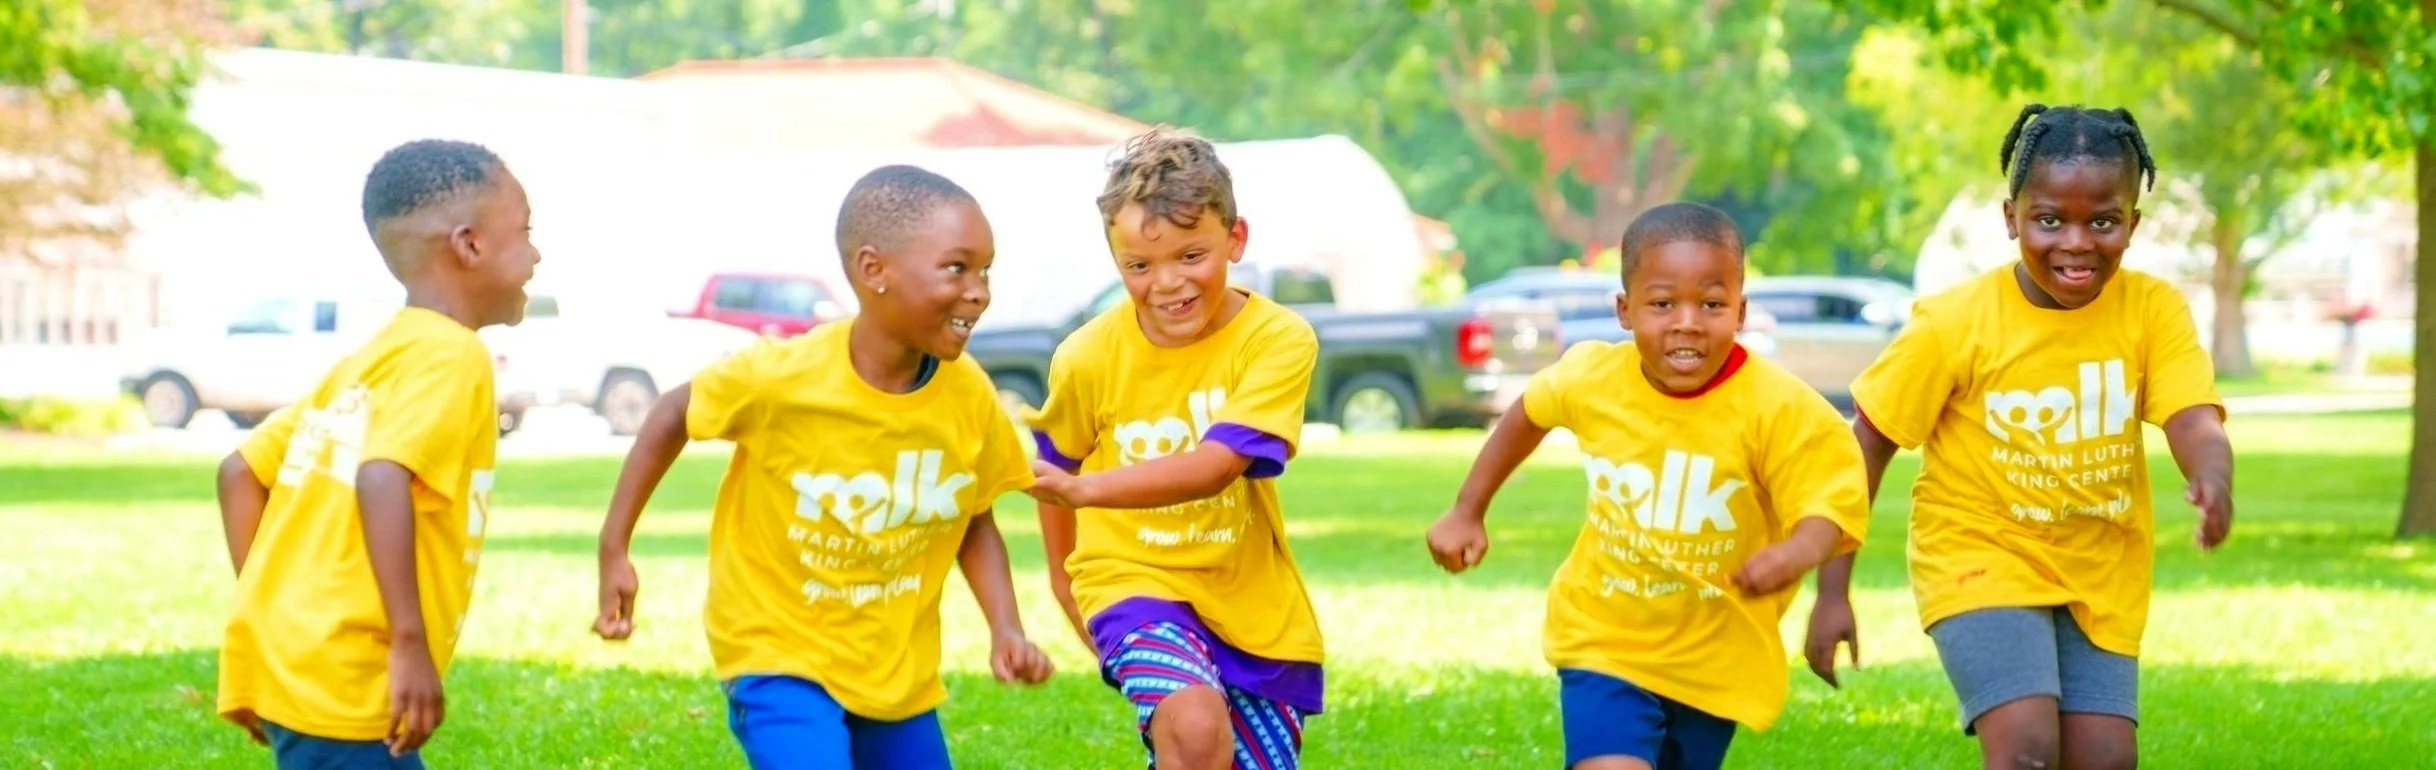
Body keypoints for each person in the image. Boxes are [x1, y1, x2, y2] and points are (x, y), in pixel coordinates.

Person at [1804, 104, 2235, 770]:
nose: (2076, 242)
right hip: (1979, 554)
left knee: (2106, 760)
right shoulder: (1954, 323)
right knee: (2026, 750)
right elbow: (1865, 445)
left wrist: (2212, 476)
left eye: (2103, 221)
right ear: (2011, 219)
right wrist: (1833, 591)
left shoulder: (2153, 311)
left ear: (2132, 224)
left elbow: (2193, 417)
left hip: (2100, 567)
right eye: (2048, 219)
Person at [591, 164, 1053, 769]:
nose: (979, 290)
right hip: (776, 648)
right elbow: (673, 413)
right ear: (873, 270)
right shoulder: (784, 375)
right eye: (956, 267)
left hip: (894, 671)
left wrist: (1006, 627)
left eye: (985, 270)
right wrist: (614, 544)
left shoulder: (968, 395)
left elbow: (975, 518)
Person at [1425, 201, 1872, 770]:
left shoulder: (1780, 408)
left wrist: (1798, 553)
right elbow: (1529, 413)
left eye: (1711, 304)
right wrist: (1468, 509)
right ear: (1624, 309)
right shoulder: (1594, 378)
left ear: (1740, 311)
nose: (1687, 321)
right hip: (1603, 637)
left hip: (1712, 656)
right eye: (1663, 304)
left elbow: (1829, 499)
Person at [213, 138, 542, 767]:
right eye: (524, 232)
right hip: (351, 669)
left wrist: (271, 622)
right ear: (469, 245)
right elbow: (383, 475)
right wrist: (409, 645)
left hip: (298, 656)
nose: (536, 253)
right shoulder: (452, 355)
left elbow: (240, 472)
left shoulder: (374, 357)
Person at [1026, 126, 1325, 770]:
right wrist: (1063, 581)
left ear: (1235, 239)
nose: (1167, 284)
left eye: (1191, 256)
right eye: (1139, 265)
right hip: (1129, 581)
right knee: (1193, 727)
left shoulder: (1276, 340)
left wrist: (1086, 491)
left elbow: (1217, 467)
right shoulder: (1085, 357)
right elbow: (1056, 472)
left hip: (1249, 601)